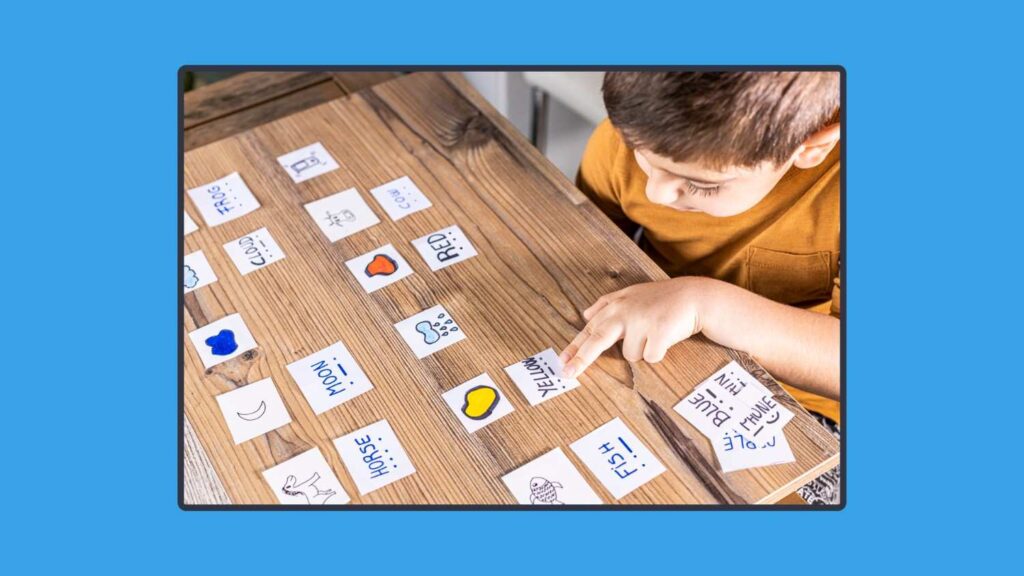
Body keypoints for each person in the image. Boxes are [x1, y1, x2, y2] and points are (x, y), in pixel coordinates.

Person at [559, 71, 841, 503]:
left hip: (802, 408)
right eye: (642, 158)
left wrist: (707, 303)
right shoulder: (634, 137)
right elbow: (584, 253)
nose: (655, 193)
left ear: (811, 147)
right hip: (658, 357)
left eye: (701, 184)